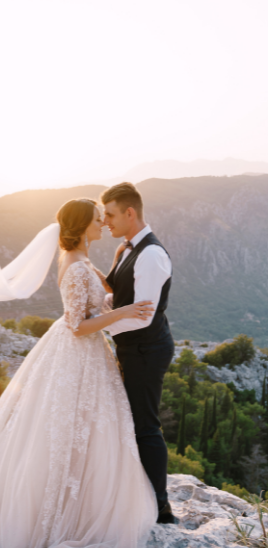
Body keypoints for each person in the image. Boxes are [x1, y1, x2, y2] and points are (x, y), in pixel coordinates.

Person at [0, 198, 159, 548]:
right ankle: (56, 512)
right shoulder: (74, 266)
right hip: (76, 353)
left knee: (85, 428)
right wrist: (124, 313)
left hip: (87, 354)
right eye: (95, 219)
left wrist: (122, 272)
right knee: (62, 429)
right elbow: (77, 326)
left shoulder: (81, 259)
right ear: (79, 226)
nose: (102, 223)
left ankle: (79, 504)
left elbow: (99, 296)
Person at [101, 182, 177, 525]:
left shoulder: (152, 255)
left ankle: (160, 507)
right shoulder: (125, 249)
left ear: (130, 212)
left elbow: (143, 315)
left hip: (147, 348)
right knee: (129, 421)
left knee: (145, 425)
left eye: (111, 214)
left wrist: (98, 328)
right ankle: (136, 493)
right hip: (131, 346)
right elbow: (121, 298)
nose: (106, 222)